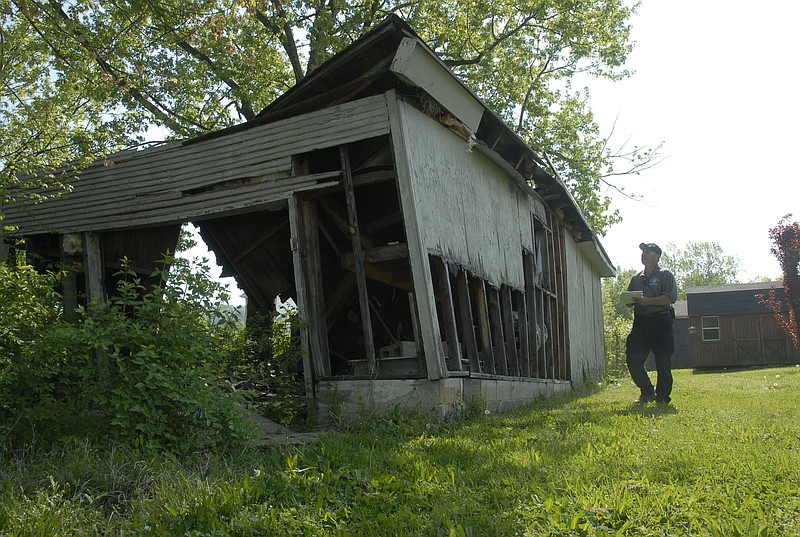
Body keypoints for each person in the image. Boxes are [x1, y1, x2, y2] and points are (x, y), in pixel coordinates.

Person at [625, 242, 678, 404]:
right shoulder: (636, 278)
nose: (644, 254)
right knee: (633, 359)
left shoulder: (665, 274)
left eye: (648, 251)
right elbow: (629, 298)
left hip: (661, 320)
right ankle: (647, 391)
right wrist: (628, 300)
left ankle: (662, 397)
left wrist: (648, 302)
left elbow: (670, 298)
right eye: (643, 252)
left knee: (663, 361)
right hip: (640, 323)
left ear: (657, 255)